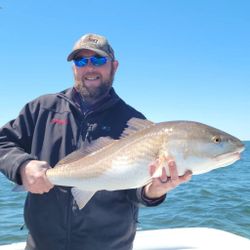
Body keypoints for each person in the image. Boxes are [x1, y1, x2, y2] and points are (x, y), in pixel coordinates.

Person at [0, 33, 192, 250]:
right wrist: (22, 166)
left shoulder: (134, 123)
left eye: (98, 60)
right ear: (74, 68)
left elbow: (134, 188)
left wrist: (154, 190)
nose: (89, 67)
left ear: (114, 66)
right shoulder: (42, 108)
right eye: (81, 61)